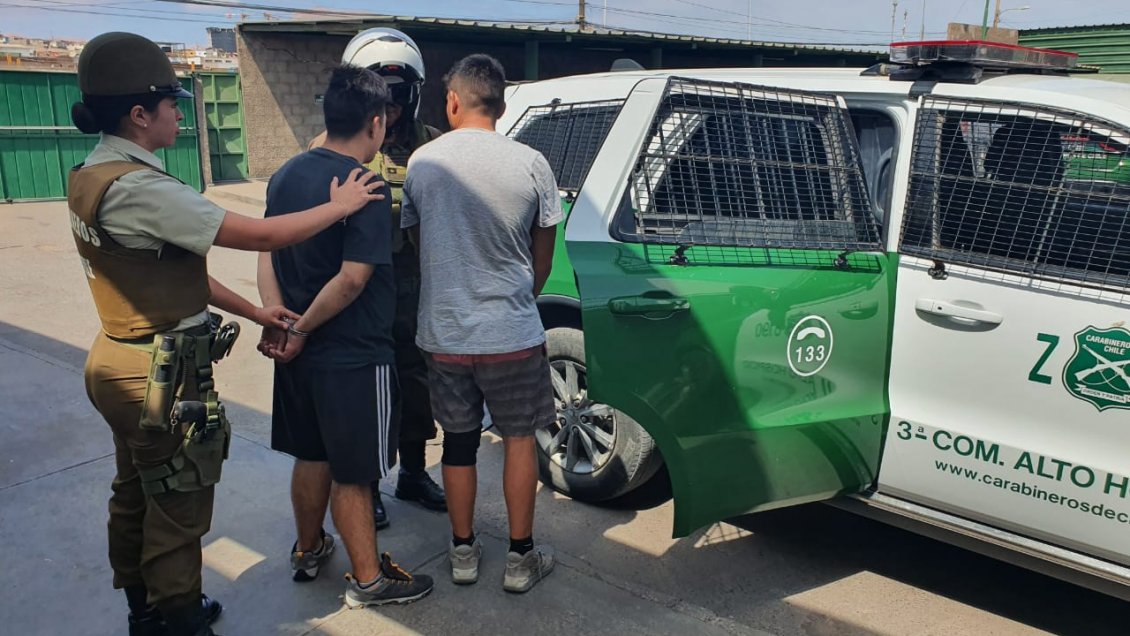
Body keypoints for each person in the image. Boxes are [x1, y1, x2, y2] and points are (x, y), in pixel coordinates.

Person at [70, 32, 383, 636]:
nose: (179, 113)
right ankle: (181, 619)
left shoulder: (93, 173)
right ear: (139, 115)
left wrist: (256, 311)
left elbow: (176, 274)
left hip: (118, 360)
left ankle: (144, 610)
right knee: (178, 503)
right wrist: (340, 206)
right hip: (158, 375)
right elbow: (259, 236)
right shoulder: (141, 188)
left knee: (134, 492)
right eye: (171, 103)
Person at [257, 64, 434, 608]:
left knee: (311, 455)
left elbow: (266, 250)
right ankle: (369, 580)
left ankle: (308, 550)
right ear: (377, 123)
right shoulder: (365, 187)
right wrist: (302, 328)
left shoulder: (285, 175)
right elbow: (354, 279)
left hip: (295, 353)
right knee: (354, 473)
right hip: (353, 356)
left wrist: (280, 321)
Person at [401, 54, 563, 593]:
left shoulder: (423, 163)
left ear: (452, 102)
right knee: (519, 439)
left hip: (444, 334)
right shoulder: (532, 163)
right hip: (512, 334)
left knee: (458, 443)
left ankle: (463, 551)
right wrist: (516, 298)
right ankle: (520, 558)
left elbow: (420, 244)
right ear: (501, 105)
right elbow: (541, 260)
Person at [308, 27, 446, 529]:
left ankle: (412, 471)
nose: (390, 109)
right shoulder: (330, 147)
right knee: (366, 388)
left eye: (398, 96)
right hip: (359, 286)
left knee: (415, 382)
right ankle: (366, 484)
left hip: (413, 286)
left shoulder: (433, 146)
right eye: (381, 97)